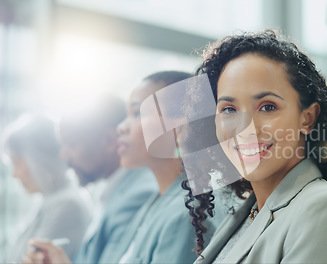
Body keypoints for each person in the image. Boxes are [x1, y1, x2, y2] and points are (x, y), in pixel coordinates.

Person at [182, 31, 327, 263]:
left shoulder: (324, 208)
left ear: (307, 118)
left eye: (267, 107)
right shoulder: (248, 212)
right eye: (229, 109)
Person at [24, 71, 221, 264]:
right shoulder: (156, 203)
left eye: (137, 114)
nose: (121, 127)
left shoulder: (182, 218)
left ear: (179, 129)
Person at [21, 96, 157, 264]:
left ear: (109, 140)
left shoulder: (136, 195)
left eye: (71, 145)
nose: (63, 156)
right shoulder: (112, 191)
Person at [2, 114, 91, 263]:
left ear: (39, 159)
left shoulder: (67, 206)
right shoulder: (49, 200)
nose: (14, 175)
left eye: (17, 162)